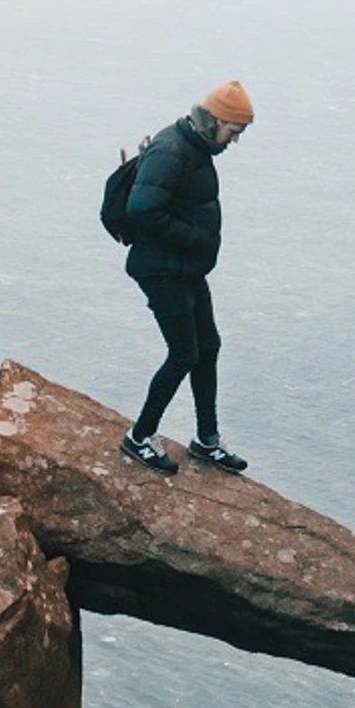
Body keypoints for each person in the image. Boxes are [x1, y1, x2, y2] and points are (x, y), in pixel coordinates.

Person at [117, 80, 255, 476]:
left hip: (185, 267)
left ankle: (206, 441)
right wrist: (194, 239)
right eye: (234, 131)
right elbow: (142, 209)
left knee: (208, 346)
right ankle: (140, 436)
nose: (234, 141)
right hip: (162, 270)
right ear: (214, 121)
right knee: (183, 354)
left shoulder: (194, 147)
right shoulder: (172, 151)